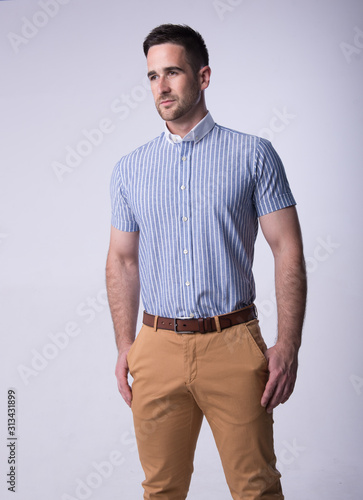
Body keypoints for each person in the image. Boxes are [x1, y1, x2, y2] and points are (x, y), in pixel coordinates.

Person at [106, 23, 307, 500]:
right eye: (153, 76)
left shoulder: (254, 155)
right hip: (155, 348)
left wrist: (288, 345)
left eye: (173, 72)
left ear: (204, 75)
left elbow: (288, 249)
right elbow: (122, 260)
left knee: (256, 488)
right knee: (161, 490)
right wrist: (124, 346)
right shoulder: (130, 168)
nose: (162, 86)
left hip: (234, 345)